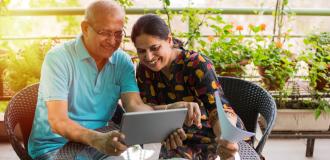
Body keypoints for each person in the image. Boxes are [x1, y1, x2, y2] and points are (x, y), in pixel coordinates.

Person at [28, 1, 201, 160]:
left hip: (101, 140)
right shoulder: (58, 58)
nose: (112, 41)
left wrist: (166, 112)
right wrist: (96, 139)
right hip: (55, 147)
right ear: (85, 28)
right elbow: (58, 122)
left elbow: (134, 106)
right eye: (105, 33)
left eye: (118, 33)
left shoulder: (122, 61)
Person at [131, 14, 240, 160]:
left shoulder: (196, 64)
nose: (149, 57)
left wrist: (225, 137)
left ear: (169, 40)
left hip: (209, 138)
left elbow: (218, 110)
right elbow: (147, 112)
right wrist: (167, 127)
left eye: (154, 48)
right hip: (169, 139)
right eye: (141, 51)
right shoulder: (144, 69)